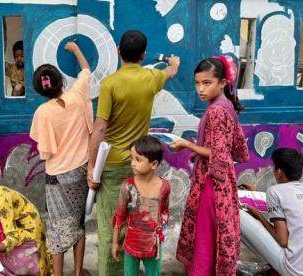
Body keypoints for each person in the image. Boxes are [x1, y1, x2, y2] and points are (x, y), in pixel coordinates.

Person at [87, 29, 180, 276]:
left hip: (112, 163)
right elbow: (170, 73)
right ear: (144, 54)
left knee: (111, 225)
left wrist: (90, 167)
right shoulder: (151, 78)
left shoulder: (110, 84)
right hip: (140, 164)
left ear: (119, 51)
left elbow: (99, 128)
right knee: (137, 222)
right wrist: (174, 63)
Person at [171, 56, 249, 275]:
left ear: (222, 82)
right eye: (197, 83)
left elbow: (218, 154)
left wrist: (187, 144)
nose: (200, 89)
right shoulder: (226, 106)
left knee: (204, 238)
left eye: (207, 83)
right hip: (222, 183)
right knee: (213, 239)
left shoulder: (216, 111)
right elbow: (233, 149)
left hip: (211, 185)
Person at [29, 41, 91, 276]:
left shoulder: (42, 113)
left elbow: (45, 150)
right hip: (81, 172)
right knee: (78, 223)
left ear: (40, 90)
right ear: (61, 81)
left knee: (57, 228)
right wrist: (75, 49)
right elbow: (86, 71)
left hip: (57, 177)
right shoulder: (77, 95)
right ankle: (77, 272)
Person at [243, 148, 303, 276]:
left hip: (297, 270)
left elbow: (282, 241)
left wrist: (259, 216)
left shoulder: (274, 191)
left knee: (239, 216)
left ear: (279, 172)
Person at [112, 136, 171, 276]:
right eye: (131, 158)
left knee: (154, 273)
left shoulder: (165, 187)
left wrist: (160, 234)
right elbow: (120, 214)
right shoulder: (128, 186)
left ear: (154, 164)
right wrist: (115, 243)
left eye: (138, 159)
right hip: (131, 243)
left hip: (153, 245)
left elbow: (164, 213)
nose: (132, 163)